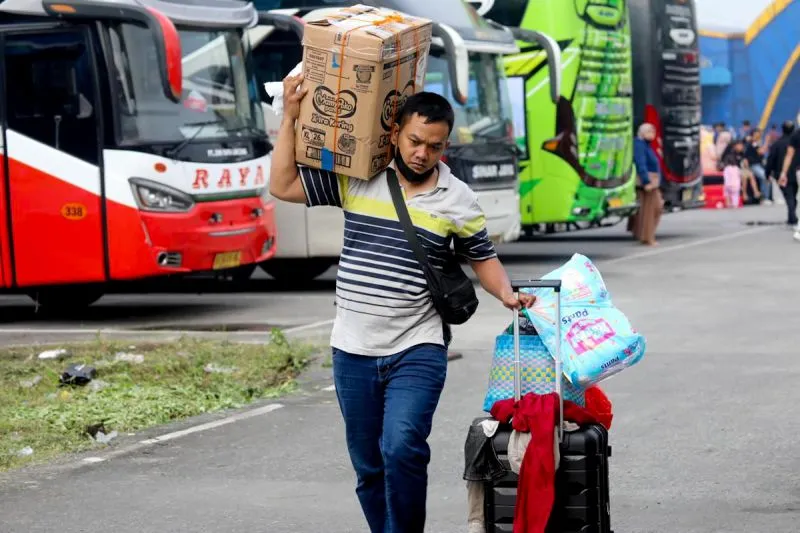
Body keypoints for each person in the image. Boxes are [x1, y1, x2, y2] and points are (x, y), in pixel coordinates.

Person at [269, 74, 536, 533]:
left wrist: (509, 295)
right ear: (395, 132)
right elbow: (283, 185)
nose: (421, 153)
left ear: (444, 146)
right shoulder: (358, 179)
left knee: (402, 446)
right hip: (352, 349)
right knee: (369, 466)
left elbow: (482, 257)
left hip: (418, 345)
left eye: (434, 147)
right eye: (415, 141)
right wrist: (291, 115)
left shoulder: (459, 199)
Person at [630, 122, 663, 246]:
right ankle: (648, 237)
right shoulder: (639, 145)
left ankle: (644, 234)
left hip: (652, 181)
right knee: (653, 208)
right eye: (650, 132)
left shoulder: (646, 145)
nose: (653, 134)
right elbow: (640, 163)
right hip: (648, 181)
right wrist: (646, 181)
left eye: (653, 132)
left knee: (650, 209)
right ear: (642, 133)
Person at [765, 120, 796, 227]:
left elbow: (771, 159)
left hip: (782, 173)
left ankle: (792, 217)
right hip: (796, 172)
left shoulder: (776, 144)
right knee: (794, 196)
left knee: (789, 196)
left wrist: (767, 173)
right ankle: (793, 216)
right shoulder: (795, 141)